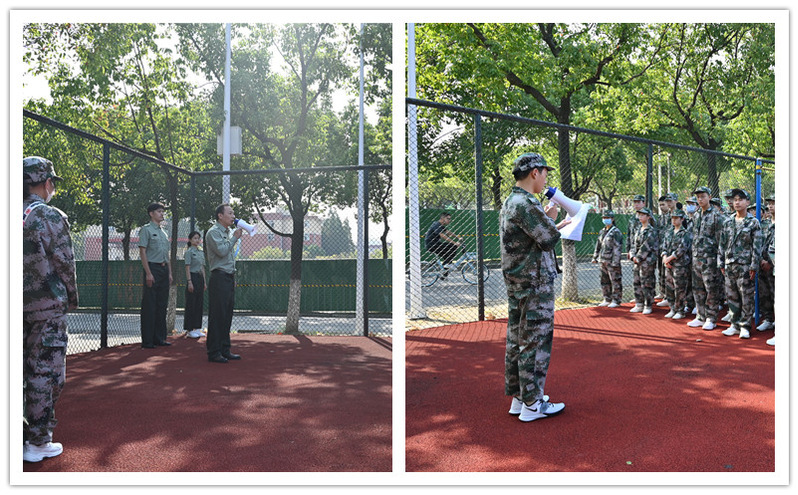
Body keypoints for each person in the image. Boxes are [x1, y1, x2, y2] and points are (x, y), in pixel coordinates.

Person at [500, 152, 565, 422]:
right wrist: (551, 217)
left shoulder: (511, 201)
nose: (546, 179)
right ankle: (533, 404)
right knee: (536, 341)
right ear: (534, 172)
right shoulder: (526, 203)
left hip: (519, 280)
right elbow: (548, 238)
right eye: (545, 173)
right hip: (535, 282)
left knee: (518, 339)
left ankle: (520, 397)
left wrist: (546, 218)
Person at [23, 156, 78, 463]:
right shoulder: (48, 215)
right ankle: (37, 442)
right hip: (45, 308)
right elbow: (65, 263)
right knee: (44, 372)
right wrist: (71, 297)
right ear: (46, 183)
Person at [719, 189, 762, 339]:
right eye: (735, 200)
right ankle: (734, 324)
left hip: (745, 266)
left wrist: (754, 265)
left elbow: (757, 246)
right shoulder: (728, 222)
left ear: (747, 202)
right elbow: (722, 244)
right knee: (731, 296)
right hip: (730, 264)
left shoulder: (753, 222)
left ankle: (745, 326)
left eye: (740, 199)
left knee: (746, 296)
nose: (737, 202)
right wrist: (721, 262)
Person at [205, 204, 243, 363]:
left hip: (228, 276)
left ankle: (225, 349)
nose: (233, 216)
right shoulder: (213, 232)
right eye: (230, 213)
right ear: (220, 216)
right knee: (218, 315)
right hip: (219, 277)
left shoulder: (227, 232)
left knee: (227, 315)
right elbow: (221, 251)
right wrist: (235, 238)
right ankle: (214, 351)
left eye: (233, 213)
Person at [688, 186, 725, 331]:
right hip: (697, 257)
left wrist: (719, 259)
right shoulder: (697, 215)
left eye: (703, 196)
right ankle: (700, 316)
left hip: (710, 259)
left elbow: (721, 240)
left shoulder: (717, 216)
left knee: (711, 289)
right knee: (697, 289)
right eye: (698, 197)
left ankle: (711, 318)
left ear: (709, 197)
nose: (700, 199)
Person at [138, 203, 172, 348]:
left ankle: (160, 338)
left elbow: (167, 255)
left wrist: (169, 273)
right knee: (150, 305)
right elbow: (142, 252)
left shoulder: (164, 232)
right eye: (159, 211)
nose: (162, 214)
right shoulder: (146, 230)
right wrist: (148, 273)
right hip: (152, 268)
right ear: (151, 213)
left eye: (163, 211)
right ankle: (148, 340)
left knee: (162, 305)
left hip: (164, 270)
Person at [662, 209, 692, 320]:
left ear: (682, 219)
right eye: (672, 218)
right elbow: (664, 246)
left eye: (676, 218)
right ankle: (672, 308)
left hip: (680, 265)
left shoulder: (685, 233)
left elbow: (682, 249)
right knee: (669, 287)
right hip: (669, 264)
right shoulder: (669, 232)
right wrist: (665, 257)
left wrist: (669, 258)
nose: (674, 220)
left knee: (680, 288)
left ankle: (680, 310)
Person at [592, 210, 623, 308]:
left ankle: (616, 300)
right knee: (604, 280)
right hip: (603, 260)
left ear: (612, 219)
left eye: (607, 218)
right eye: (604, 218)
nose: (605, 220)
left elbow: (617, 248)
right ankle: (607, 298)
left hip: (612, 261)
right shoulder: (602, 231)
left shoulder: (616, 232)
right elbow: (598, 245)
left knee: (615, 281)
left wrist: (615, 262)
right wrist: (595, 256)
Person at [630, 207, 658, 315]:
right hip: (637, 261)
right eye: (639, 215)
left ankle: (648, 305)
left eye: (643, 215)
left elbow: (646, 246)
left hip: (647, 261)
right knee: (636, 282)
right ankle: (639, 304)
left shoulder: (651, 231)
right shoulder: (638, 229)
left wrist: (638, 257)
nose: (640, 217)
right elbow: (633, 244)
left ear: (648, 217)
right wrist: (632, 255)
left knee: (647, 283)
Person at [757, 194, 775, 335]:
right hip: (763, 266)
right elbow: (759, 243)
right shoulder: (765, 224)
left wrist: (769, 262)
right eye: (769, 203)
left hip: (774, 266)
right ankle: (768, 319)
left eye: (774, 203)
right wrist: (761, 260)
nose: (771, 206)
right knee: (764, 294)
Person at [183, 231, 206, 339]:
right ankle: (189, 329)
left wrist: (204, 282)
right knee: (191, 304)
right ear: (190, 240)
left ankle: (197, 328)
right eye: (195, 238)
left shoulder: (201, 252)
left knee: (199, 304)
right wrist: (189, 281)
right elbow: (187, 267)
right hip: (192, 277)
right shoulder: (189, 252)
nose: (197, 240)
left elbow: (202, 267)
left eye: (198, 238)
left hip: (200, 278)